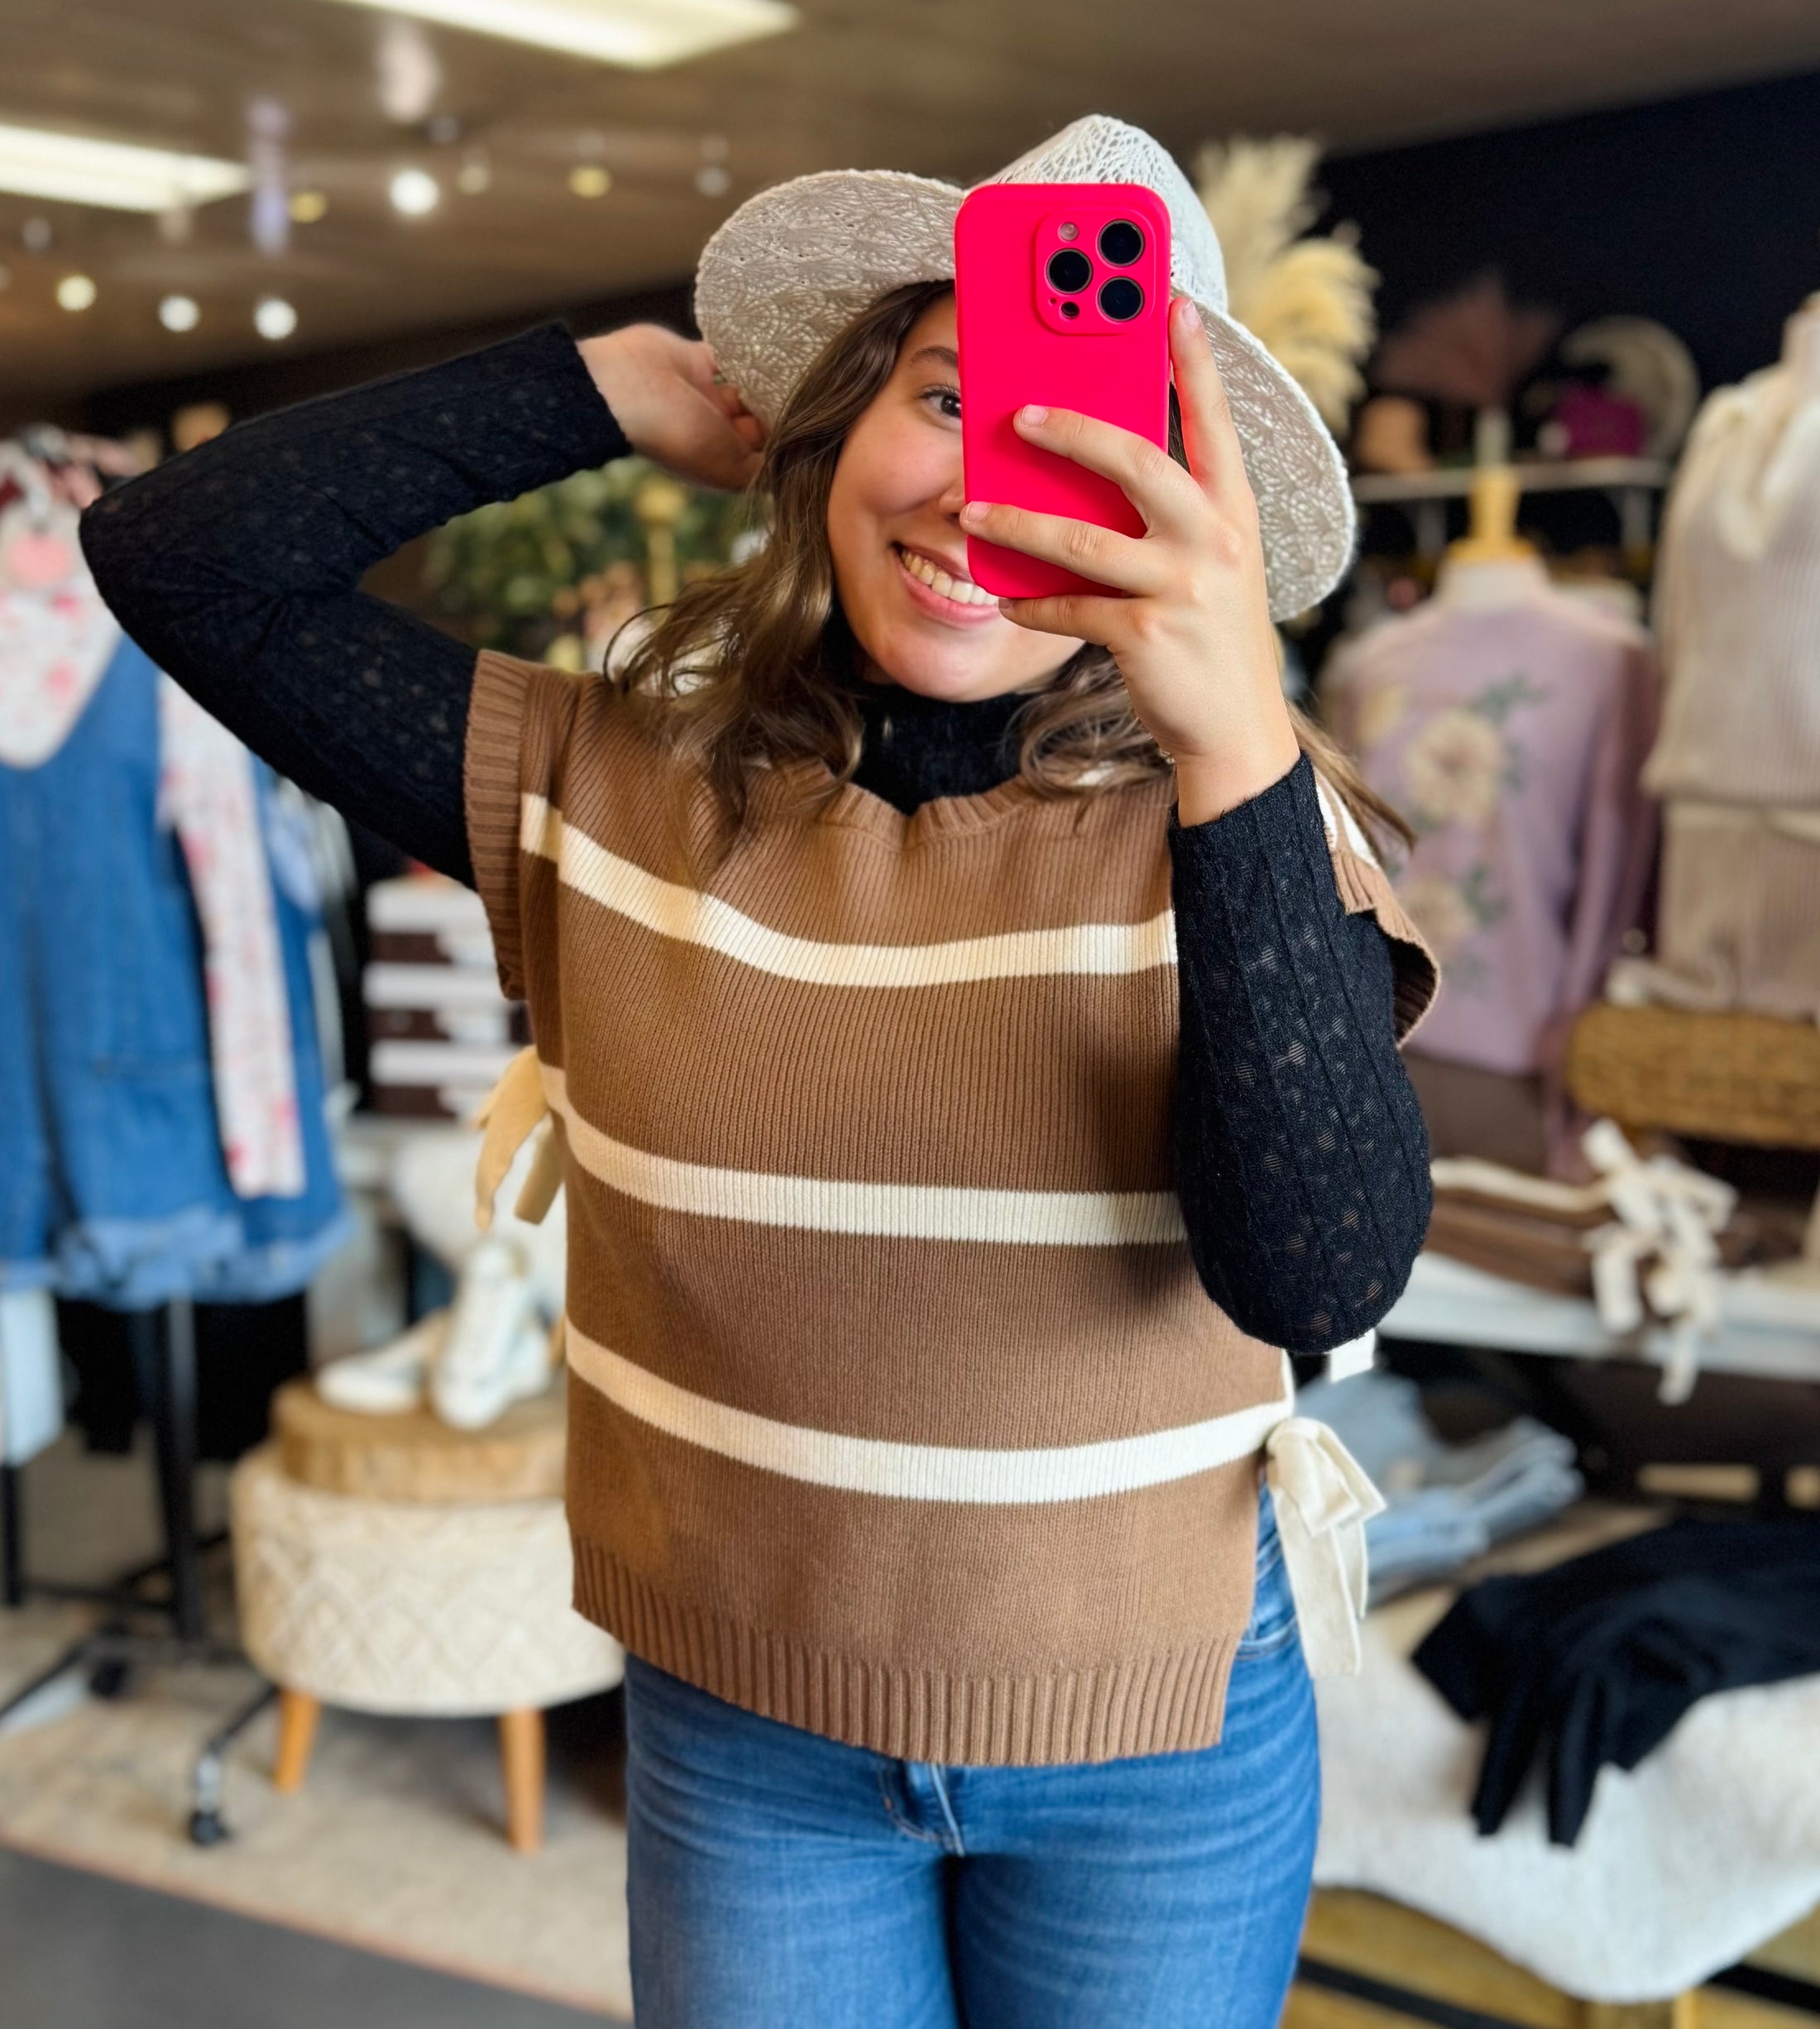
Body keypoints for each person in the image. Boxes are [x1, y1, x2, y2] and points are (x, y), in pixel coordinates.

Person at [84, 115, 1434, 2029]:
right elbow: (175, 560)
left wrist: (1230, 753)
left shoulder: (1236, 835)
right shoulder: (601, 786)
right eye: (945, 393)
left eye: (1085, 435)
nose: (993, 491)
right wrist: (597, 387)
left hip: (1155, 1747)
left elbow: (1315, 1277)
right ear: (826, 429)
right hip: (744, 1740)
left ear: (1187, 507)